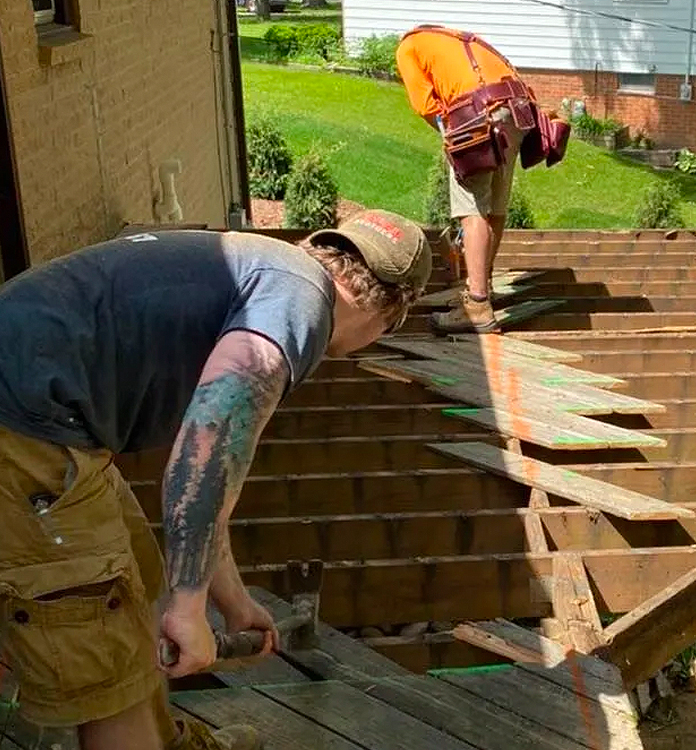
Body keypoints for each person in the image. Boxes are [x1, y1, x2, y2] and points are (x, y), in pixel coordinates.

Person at [0, 210, 431, 750]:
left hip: (56, 425)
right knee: (108, 660)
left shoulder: (272, 269)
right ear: (391, 315)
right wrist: (187, 609)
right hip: (26, 431)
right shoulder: (300, 304)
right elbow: (207, 449)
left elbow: (205, 476)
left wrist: (229, 598)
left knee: (134, 567)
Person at [396, 25, 534, 334]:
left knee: (472, 213)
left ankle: (476, 305)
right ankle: (482, 286)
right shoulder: (459, 39)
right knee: (494, 210)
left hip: (478, 115)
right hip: (518, 109)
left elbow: (425, 105)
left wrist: (455, 146)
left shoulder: (407, 47)